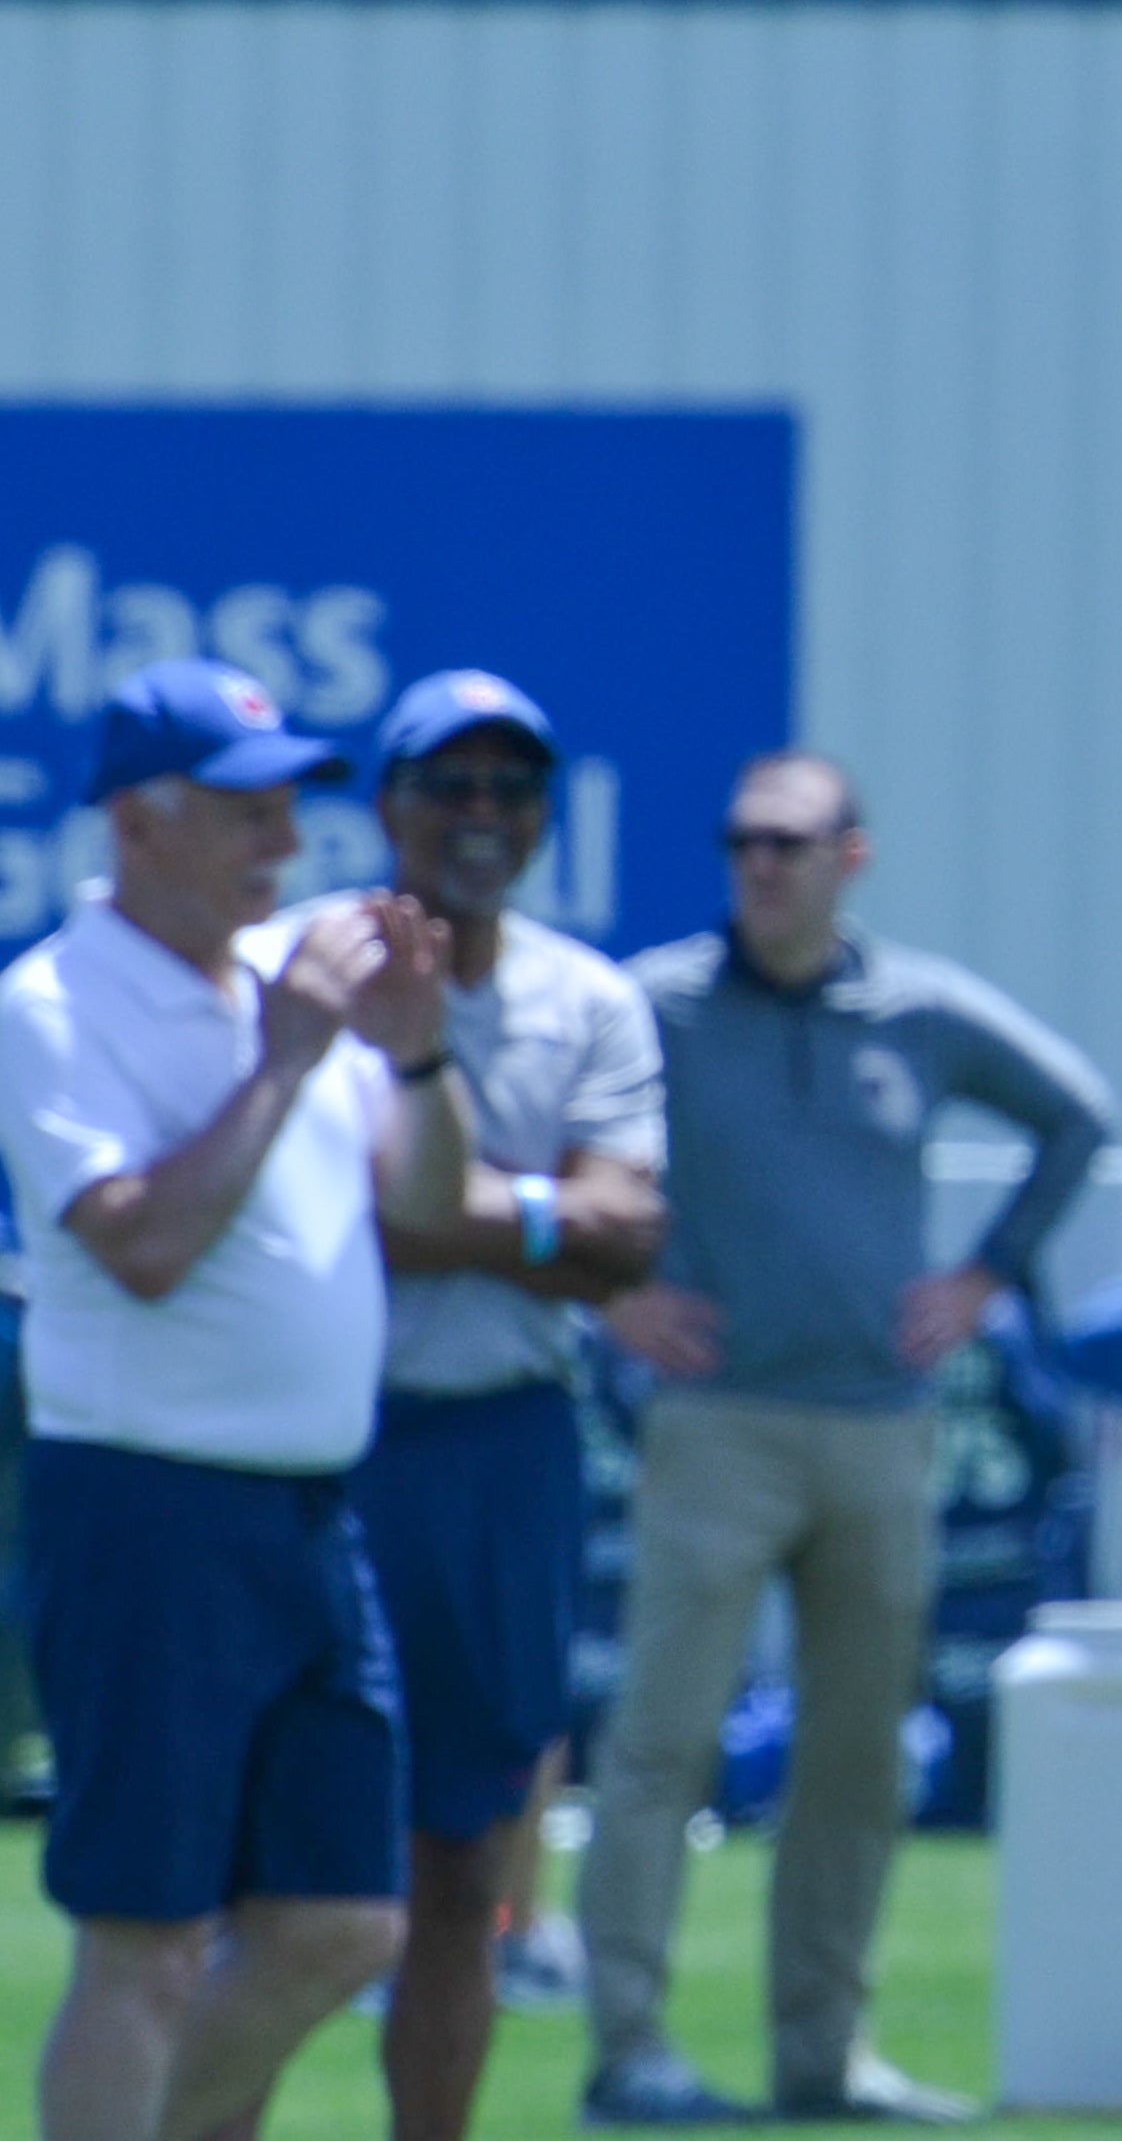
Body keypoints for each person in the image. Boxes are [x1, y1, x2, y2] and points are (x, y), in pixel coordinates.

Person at [576, 751, 1116, 2126]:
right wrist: (611, 1294)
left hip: (881, 1433)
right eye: (742, 841)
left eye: (788, 842)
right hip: (717, 1423)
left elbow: (1076, 1114)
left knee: (859, 1758)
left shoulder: (920, 1012)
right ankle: (629, 2050)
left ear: (850, 857)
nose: (759, 865)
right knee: (661, 1743)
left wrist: (986, 1275)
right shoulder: (656, 1003)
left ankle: (826, 2059)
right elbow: (538, 1132)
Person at [0, 660, 470, 2141]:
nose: (284, 843)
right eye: (244, 810)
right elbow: (141, 1247)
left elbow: (429, 1203)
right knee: (144, 1943)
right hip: (147, 1510)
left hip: (313, 1513)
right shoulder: (52, 1002)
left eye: (287, 808)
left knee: (343, 1925)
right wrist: (289, 1057)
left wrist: (420, 1050)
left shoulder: (290, 982)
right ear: (138, 823)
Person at [307, 671, 671, 2141]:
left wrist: (439, 1208)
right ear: (387, 805)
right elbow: (328, 1225)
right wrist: (537, 1215)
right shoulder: (314, 973)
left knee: (466, 1862)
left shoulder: (589, 1000)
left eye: (511, 789)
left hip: (498, 1446)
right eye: (448, 785)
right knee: (274, 1876)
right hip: (322, 1443)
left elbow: (629, 1240)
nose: (480, 814)